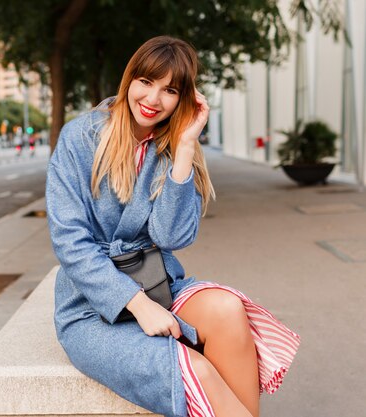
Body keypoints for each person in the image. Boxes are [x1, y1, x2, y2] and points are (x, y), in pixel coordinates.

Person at [46, 36, 299, 417]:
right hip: (91, 306)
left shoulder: (174, 145)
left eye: (170, 90)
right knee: (197, 370)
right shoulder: (80, 138)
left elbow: (171, 236)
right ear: (130, 79)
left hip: (158, 284)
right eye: (146, 82)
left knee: (229, 309)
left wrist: (183, 150)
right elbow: (70, 242)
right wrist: (138, 305)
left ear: (183, 98)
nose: (153, 99)